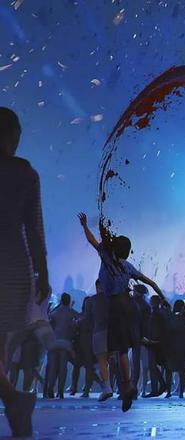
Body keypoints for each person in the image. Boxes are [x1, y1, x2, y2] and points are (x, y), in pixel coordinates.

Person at [77, 212, 166, 412]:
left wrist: (84, 226)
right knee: (123, 349)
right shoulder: (128, 266)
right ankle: (127, 385)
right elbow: (150, 282)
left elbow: (92, 241)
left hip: (116, 305)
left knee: (119, 349)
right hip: (129, 305)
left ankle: (127, 386)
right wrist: (163, 297)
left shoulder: (107, 258)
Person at [0, 107, 51, 437]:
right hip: (15, 266)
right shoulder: (25, 173)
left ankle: (13, 400)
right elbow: (34, 229)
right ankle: (14, 403)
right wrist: (42, 272)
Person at [45, 293, 80, 399]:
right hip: (66, 343)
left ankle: (50, 388)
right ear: (69, 301)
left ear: (61, 301)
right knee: (62, 368)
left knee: (53, 367)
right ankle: (60, 391)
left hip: (54, 341)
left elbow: (49, 320)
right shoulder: (71, 312)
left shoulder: (55, 312)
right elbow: (80, 319)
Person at [164, 300, 185, 398]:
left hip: (172, 347)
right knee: (182, 370)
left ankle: (168, 391)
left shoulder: (172, 319)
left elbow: (167, 333)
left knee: (169, 370)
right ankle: (181, 393)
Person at [131, 284, 151, 395]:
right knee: (140, 364)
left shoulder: (132, 303)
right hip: (141, 337)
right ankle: (135, 388)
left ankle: (132, 388)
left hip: (132, 336)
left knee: (133, 364)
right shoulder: (146, 306)